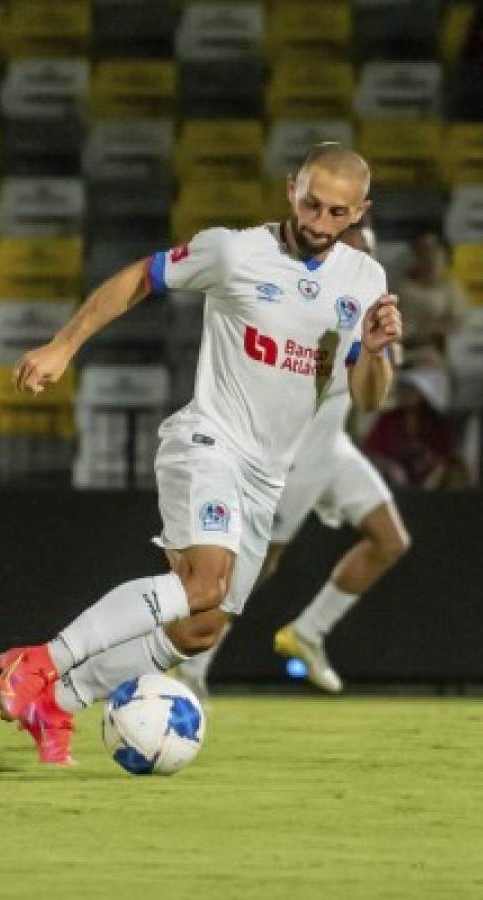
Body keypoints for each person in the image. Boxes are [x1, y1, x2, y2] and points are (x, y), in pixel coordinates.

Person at [0, 143, 403, 766]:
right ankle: (41, 662)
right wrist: (62, 347)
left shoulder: (365, 281)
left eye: (336, 212)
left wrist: (373, 350)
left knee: (199, 626)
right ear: (292, 188)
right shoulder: (234, 251)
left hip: (267, 476)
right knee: (201, 582)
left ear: (359, 212)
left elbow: (370, 398)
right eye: (311, 203)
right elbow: (139, 277)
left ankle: (60, 701)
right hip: (208, 440)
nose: (319, 222)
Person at [176, 223, 411, 699]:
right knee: (255, 565)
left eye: (367, 249)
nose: (360, 257)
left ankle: (307, 633)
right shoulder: (308, 301)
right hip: (297, 450)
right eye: (352, 247)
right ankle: (190, 666)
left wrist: (380, 345)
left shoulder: (368, 302)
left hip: (333, 445)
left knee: (390, 540)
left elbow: (378, 387)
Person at [364, 365, 459, 490]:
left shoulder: (438, 423)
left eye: (410, 389)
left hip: (434, 488)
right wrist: (391, 467)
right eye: (403, 389)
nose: (405, 394)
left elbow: (448, 457)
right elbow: (371, 452)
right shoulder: (387, 420)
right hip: (393, 486)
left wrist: (435, 476)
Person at [395, 231, 466, 368]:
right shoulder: (402, 289)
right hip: (405, 356)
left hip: (438, 358)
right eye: (423, 251)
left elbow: (456, 323)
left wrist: (432, 328)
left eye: (434, 250)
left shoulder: (451, 289)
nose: (430, 256)